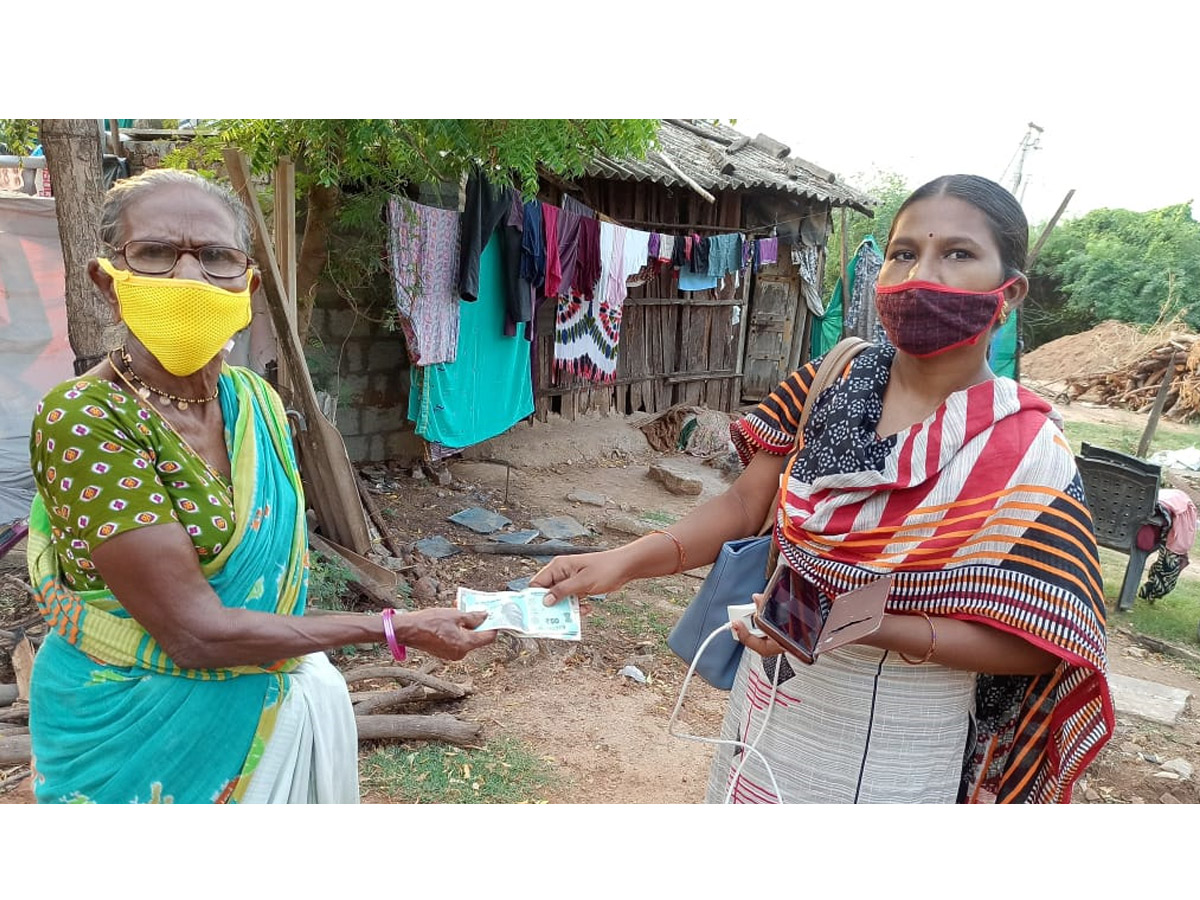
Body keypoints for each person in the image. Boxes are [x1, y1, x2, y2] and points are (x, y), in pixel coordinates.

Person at [535, 175, 1113, 804]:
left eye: (958, 253)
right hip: (765, 709)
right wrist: (616, 564)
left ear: (1010, 292)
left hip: (902, 744)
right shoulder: (827, 380)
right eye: (903, 253)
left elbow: (1050, 644)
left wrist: (867, 626)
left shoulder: (1028, 453)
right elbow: (743, 505)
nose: (922, 273)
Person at [26, 169, 495, 804]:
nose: (189, 278)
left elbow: (271, 590)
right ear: (108, 282)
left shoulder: (255, 403)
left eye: (217, 257)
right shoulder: (85, 420)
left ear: (246, 285)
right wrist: (390, 627)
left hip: (261, 708)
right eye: (157, 253)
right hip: (129, 730)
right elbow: (193, 634)